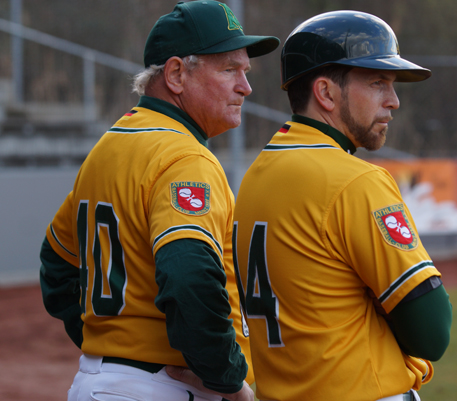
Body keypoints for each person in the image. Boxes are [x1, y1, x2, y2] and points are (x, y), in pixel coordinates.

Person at [39, 1, 279, 400]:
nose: (245, 86)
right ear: (176, 74)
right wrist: (227, 377)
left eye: (245, 71)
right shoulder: (184, 157)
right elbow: (189, 275)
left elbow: (56, 266)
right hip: (160, 385)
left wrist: (111, 346)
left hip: (101, 382)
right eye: (229, 69)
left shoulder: (109, 146)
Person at [231, 11, 452, 401]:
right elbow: (432, 331)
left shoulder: (256, 176)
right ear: (326, 93)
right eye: (378, 82)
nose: (394, 101)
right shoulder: (354, 180)